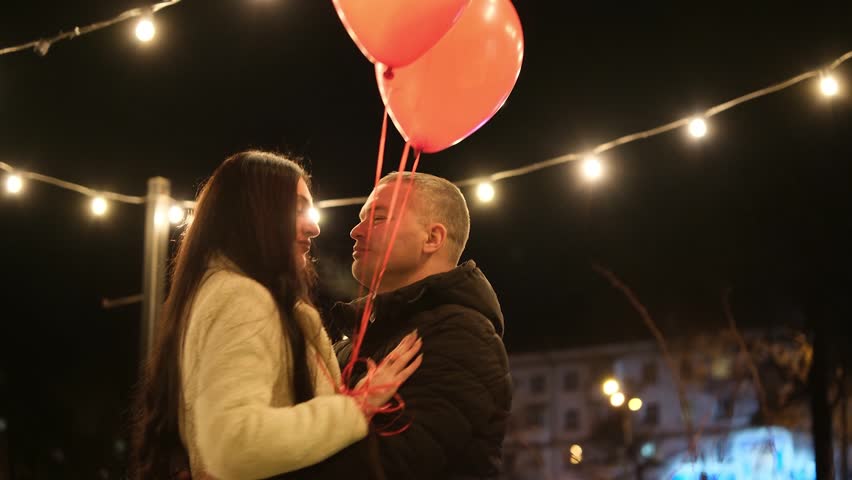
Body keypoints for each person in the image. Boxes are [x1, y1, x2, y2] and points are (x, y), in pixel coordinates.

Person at [129, 151, 422, 480]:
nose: (314, 227)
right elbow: (234, 444)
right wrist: (356, 408)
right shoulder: (242, 298)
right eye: (297, 209)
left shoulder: (216, 291)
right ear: (253, 213)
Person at [287, 172, 511, 480]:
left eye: (378, 218)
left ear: (432, 238)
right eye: (361, 220)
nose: (356, 231)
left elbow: (386, 466)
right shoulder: (355, 341)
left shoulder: (462, 337)